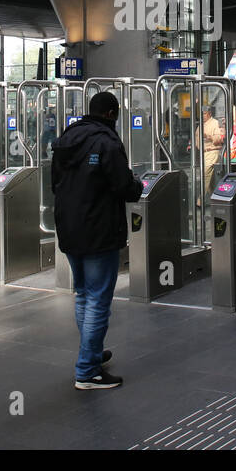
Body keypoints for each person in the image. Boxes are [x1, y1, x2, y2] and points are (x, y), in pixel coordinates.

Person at [51, 91, 143, 391]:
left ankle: (91, 353)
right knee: (98, 300)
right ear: (112, 114)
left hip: (69, 227)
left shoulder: (66, 138)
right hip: (99, 229)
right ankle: (87, 371)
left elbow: (55, 184)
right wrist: (138, 183)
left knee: (83, 294)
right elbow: (124, 187)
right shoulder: (107, 141)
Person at [200, 105, 224, 196]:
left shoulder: (215, 123)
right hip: (204, 153)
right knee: (210, 178)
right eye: (202, 114)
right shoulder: (202, 124)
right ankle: (215, 196)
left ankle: (200, 199)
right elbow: (197, 137)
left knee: (206, 175)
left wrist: (209, 137)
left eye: (205, 114)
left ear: (209, 114)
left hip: (212, 152)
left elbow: (219, 139)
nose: (203, 116)